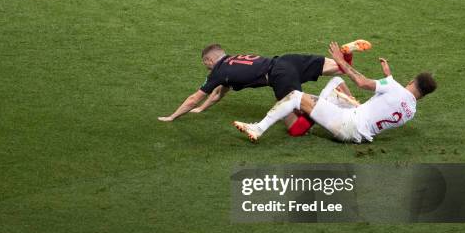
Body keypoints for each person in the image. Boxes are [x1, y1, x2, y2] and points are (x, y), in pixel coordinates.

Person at [233, 42, 437, 143]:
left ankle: (258, 128)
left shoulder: (394, 88)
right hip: (361, 134)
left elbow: (361, 81)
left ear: (411, 80)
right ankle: (320, 107)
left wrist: (340, 60)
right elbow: (394, 99)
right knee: (337, 82)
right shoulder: (411, 110)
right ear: (423, 94)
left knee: (295, 96)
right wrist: (388, 76)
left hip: (348, 123)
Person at [157, 40, 371, 136]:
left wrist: (173, 116)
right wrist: (202, 110)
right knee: (340, 67)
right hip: (288, 60)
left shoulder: (218, 72)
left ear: (209, 61)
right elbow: (218, 93)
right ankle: (346, 53)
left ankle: (327, 105)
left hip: (279, 76)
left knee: (296, 128)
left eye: (205, 64)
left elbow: (196, 97)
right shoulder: (233, 62)